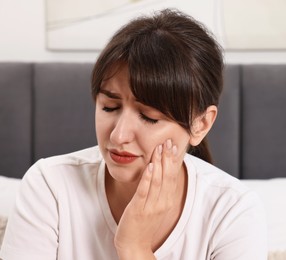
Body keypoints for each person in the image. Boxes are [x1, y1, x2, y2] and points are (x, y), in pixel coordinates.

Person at [0, 9, 267, 260]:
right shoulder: (50, 186)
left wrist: (135, 247)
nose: (118, 136)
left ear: (200, 124)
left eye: (149, 117)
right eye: (109, 107)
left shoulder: (232, 211)